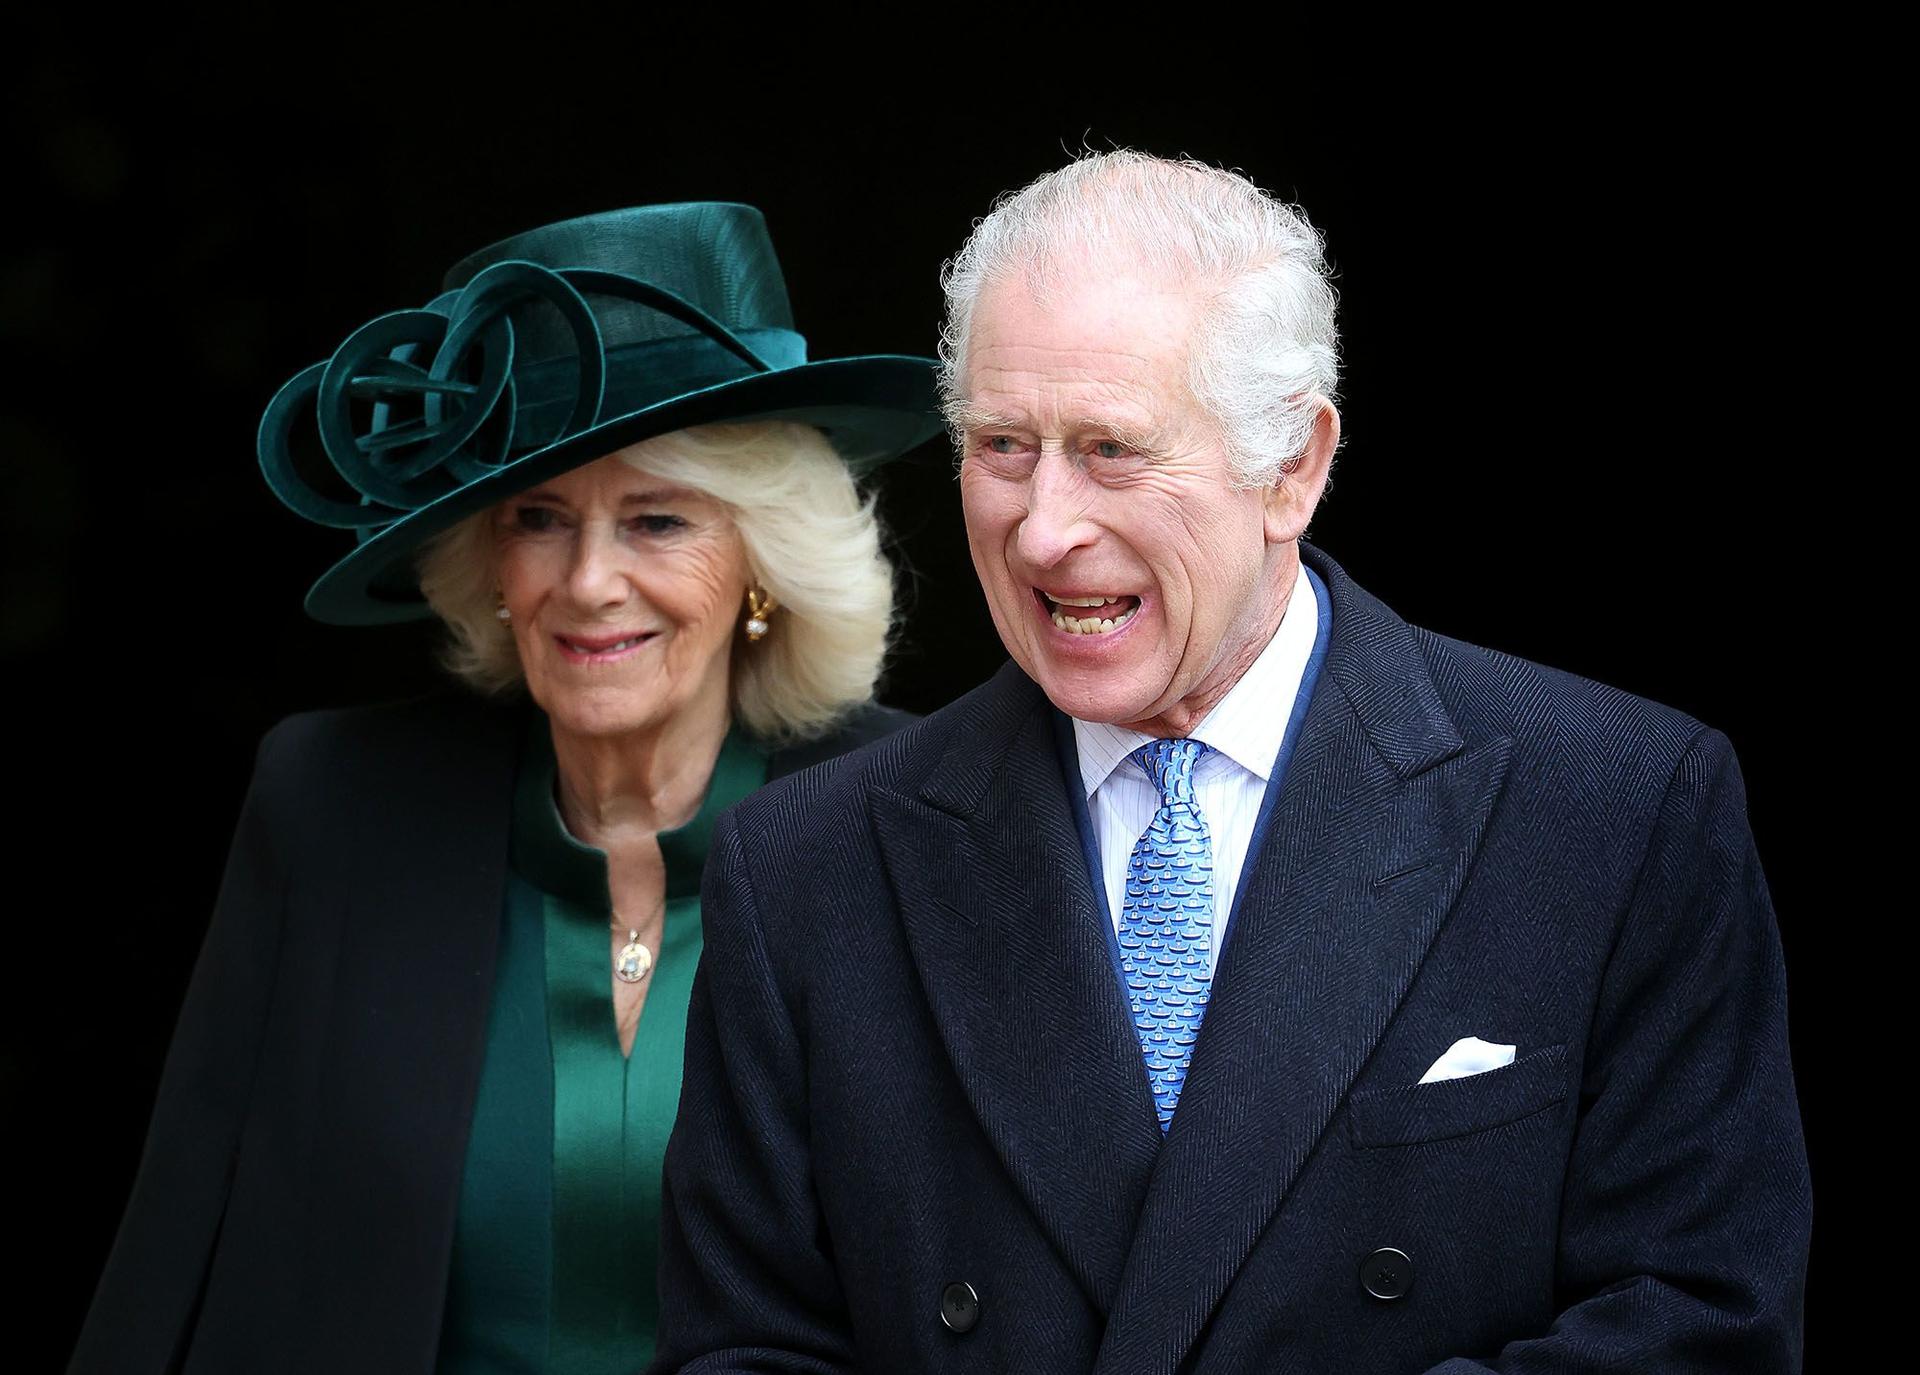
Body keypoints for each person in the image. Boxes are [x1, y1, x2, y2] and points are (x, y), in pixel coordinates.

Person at [652, 154, 1812, 1372]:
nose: (1044, 526)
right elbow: (745, 1349)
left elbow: (1695, 1323)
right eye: (1001, 443)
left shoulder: (1617, 808)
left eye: (1110, 448)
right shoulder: (806, 867)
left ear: (1294, 468)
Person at [69, 203, 943, 1373]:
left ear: (761, 566)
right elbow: (174, 1261)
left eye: (657, 519)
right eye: (540, 520)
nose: (590, 582)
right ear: (489, 565)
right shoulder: (334, 806)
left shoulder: (917, 824)